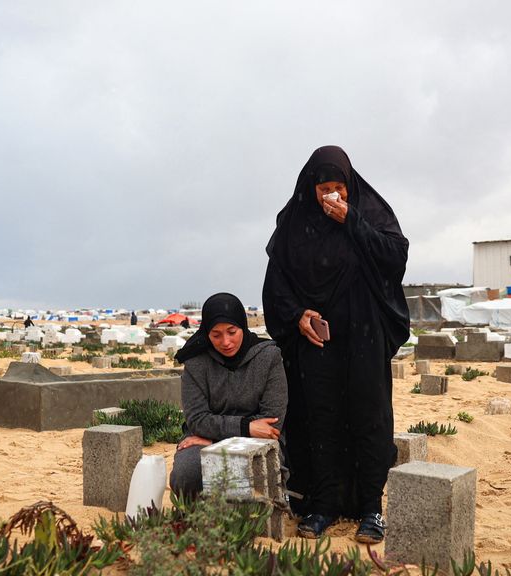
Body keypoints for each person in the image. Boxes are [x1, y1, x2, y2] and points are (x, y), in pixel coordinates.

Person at [262, 145, 410, 543]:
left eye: (338, 188)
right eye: (324, 188)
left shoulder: (369, 212)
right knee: (319, 417)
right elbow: (276, 284)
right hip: (316, 340)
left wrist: (352, 221)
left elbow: (396, 258)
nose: (332, 195)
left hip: (364, 333)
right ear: (310, 188)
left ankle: (370, 509)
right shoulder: (294, 224)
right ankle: (322, 504)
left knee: (368, 416)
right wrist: (297, 315)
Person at [169, 293, 288, 499]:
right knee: (186, 475)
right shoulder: (196, 363)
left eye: (232, 332)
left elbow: (271, 425)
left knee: (256, 475)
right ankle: (196, 523)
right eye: (216, 335)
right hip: (206, 437)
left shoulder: (269, 357)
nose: (226, 342)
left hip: (254, 440)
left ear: (242, 325)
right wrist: (245, 427)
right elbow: (197, 420)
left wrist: (215, 440)